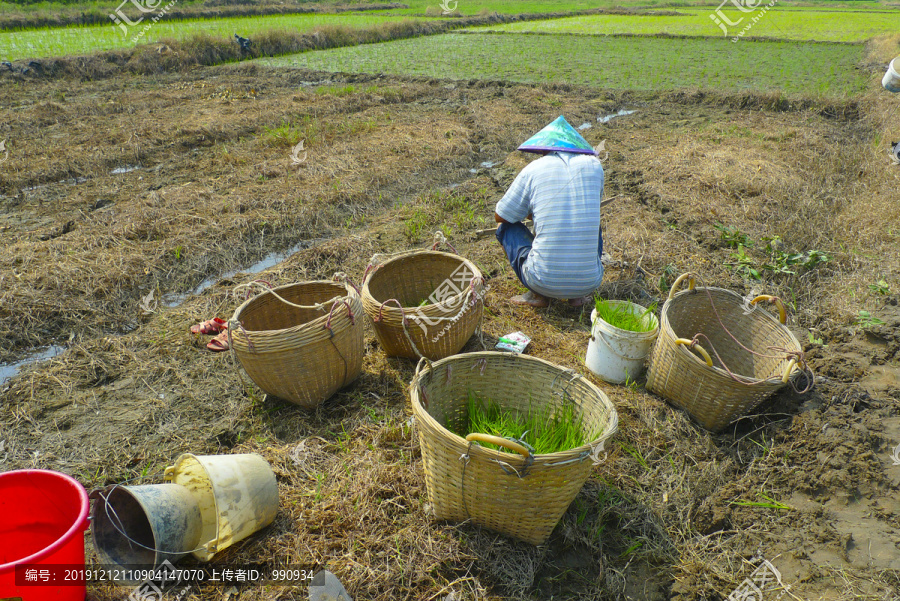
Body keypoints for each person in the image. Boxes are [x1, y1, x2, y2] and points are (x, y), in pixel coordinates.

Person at [494, 116, 605, 308]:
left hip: (542, 280)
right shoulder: (595, 166)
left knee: (505, 228)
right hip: (590, 282)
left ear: (544, 149)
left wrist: (532, 213)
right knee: (591, 223)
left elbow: (501, 216)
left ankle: (537, 295)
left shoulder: (534, 168)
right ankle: (577, 297)